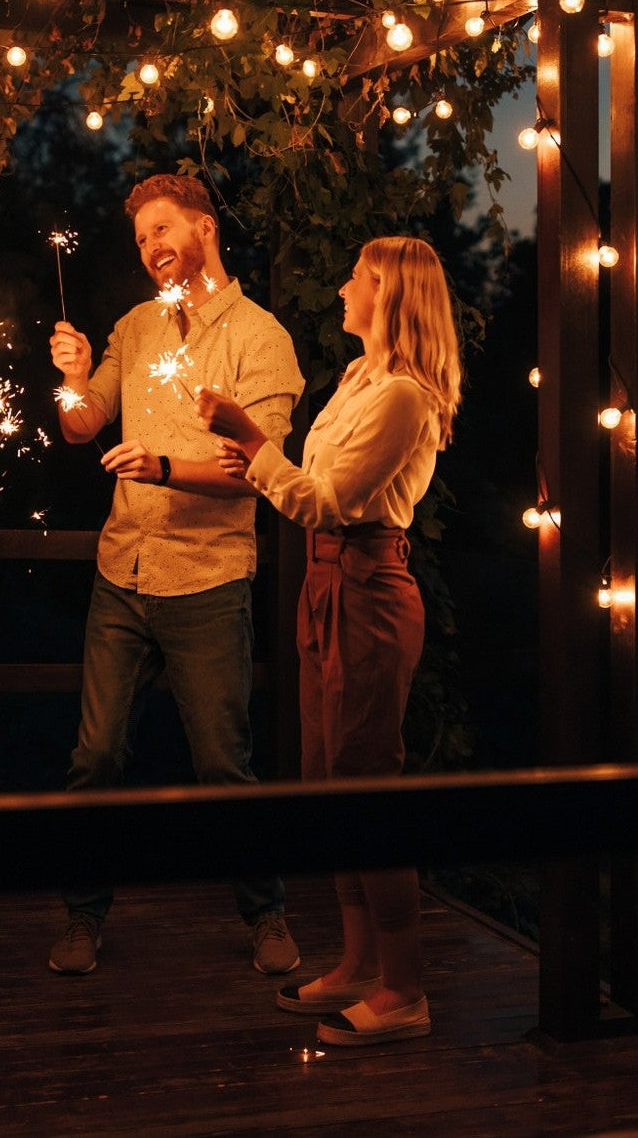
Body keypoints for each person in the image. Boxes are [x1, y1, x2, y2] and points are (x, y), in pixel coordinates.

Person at [195, 234, 463, 1046]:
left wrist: (250, 435)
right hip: (326, 584)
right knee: (327, 779)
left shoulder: (406, 398)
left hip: (369, 589)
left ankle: (406, 989)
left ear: (390, 295)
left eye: (357, 277)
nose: (343, 286)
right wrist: (258, 458)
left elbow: (330, 499)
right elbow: (306, 487)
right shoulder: (358, 378)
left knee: (366, 785)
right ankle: (357, 963)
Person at [48, 173, 305, 978]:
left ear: (202, 226)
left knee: (223, 762)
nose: (152, 247)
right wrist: (73, 372)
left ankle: (265, 914)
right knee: (94, 757)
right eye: (141, 239)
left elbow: (254, 470)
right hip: (121, 574)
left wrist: (160, 464)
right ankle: (83, 919)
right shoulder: (135, 325)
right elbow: (82, 425)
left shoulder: (260, 339)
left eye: (162, 229)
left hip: (207, 578)